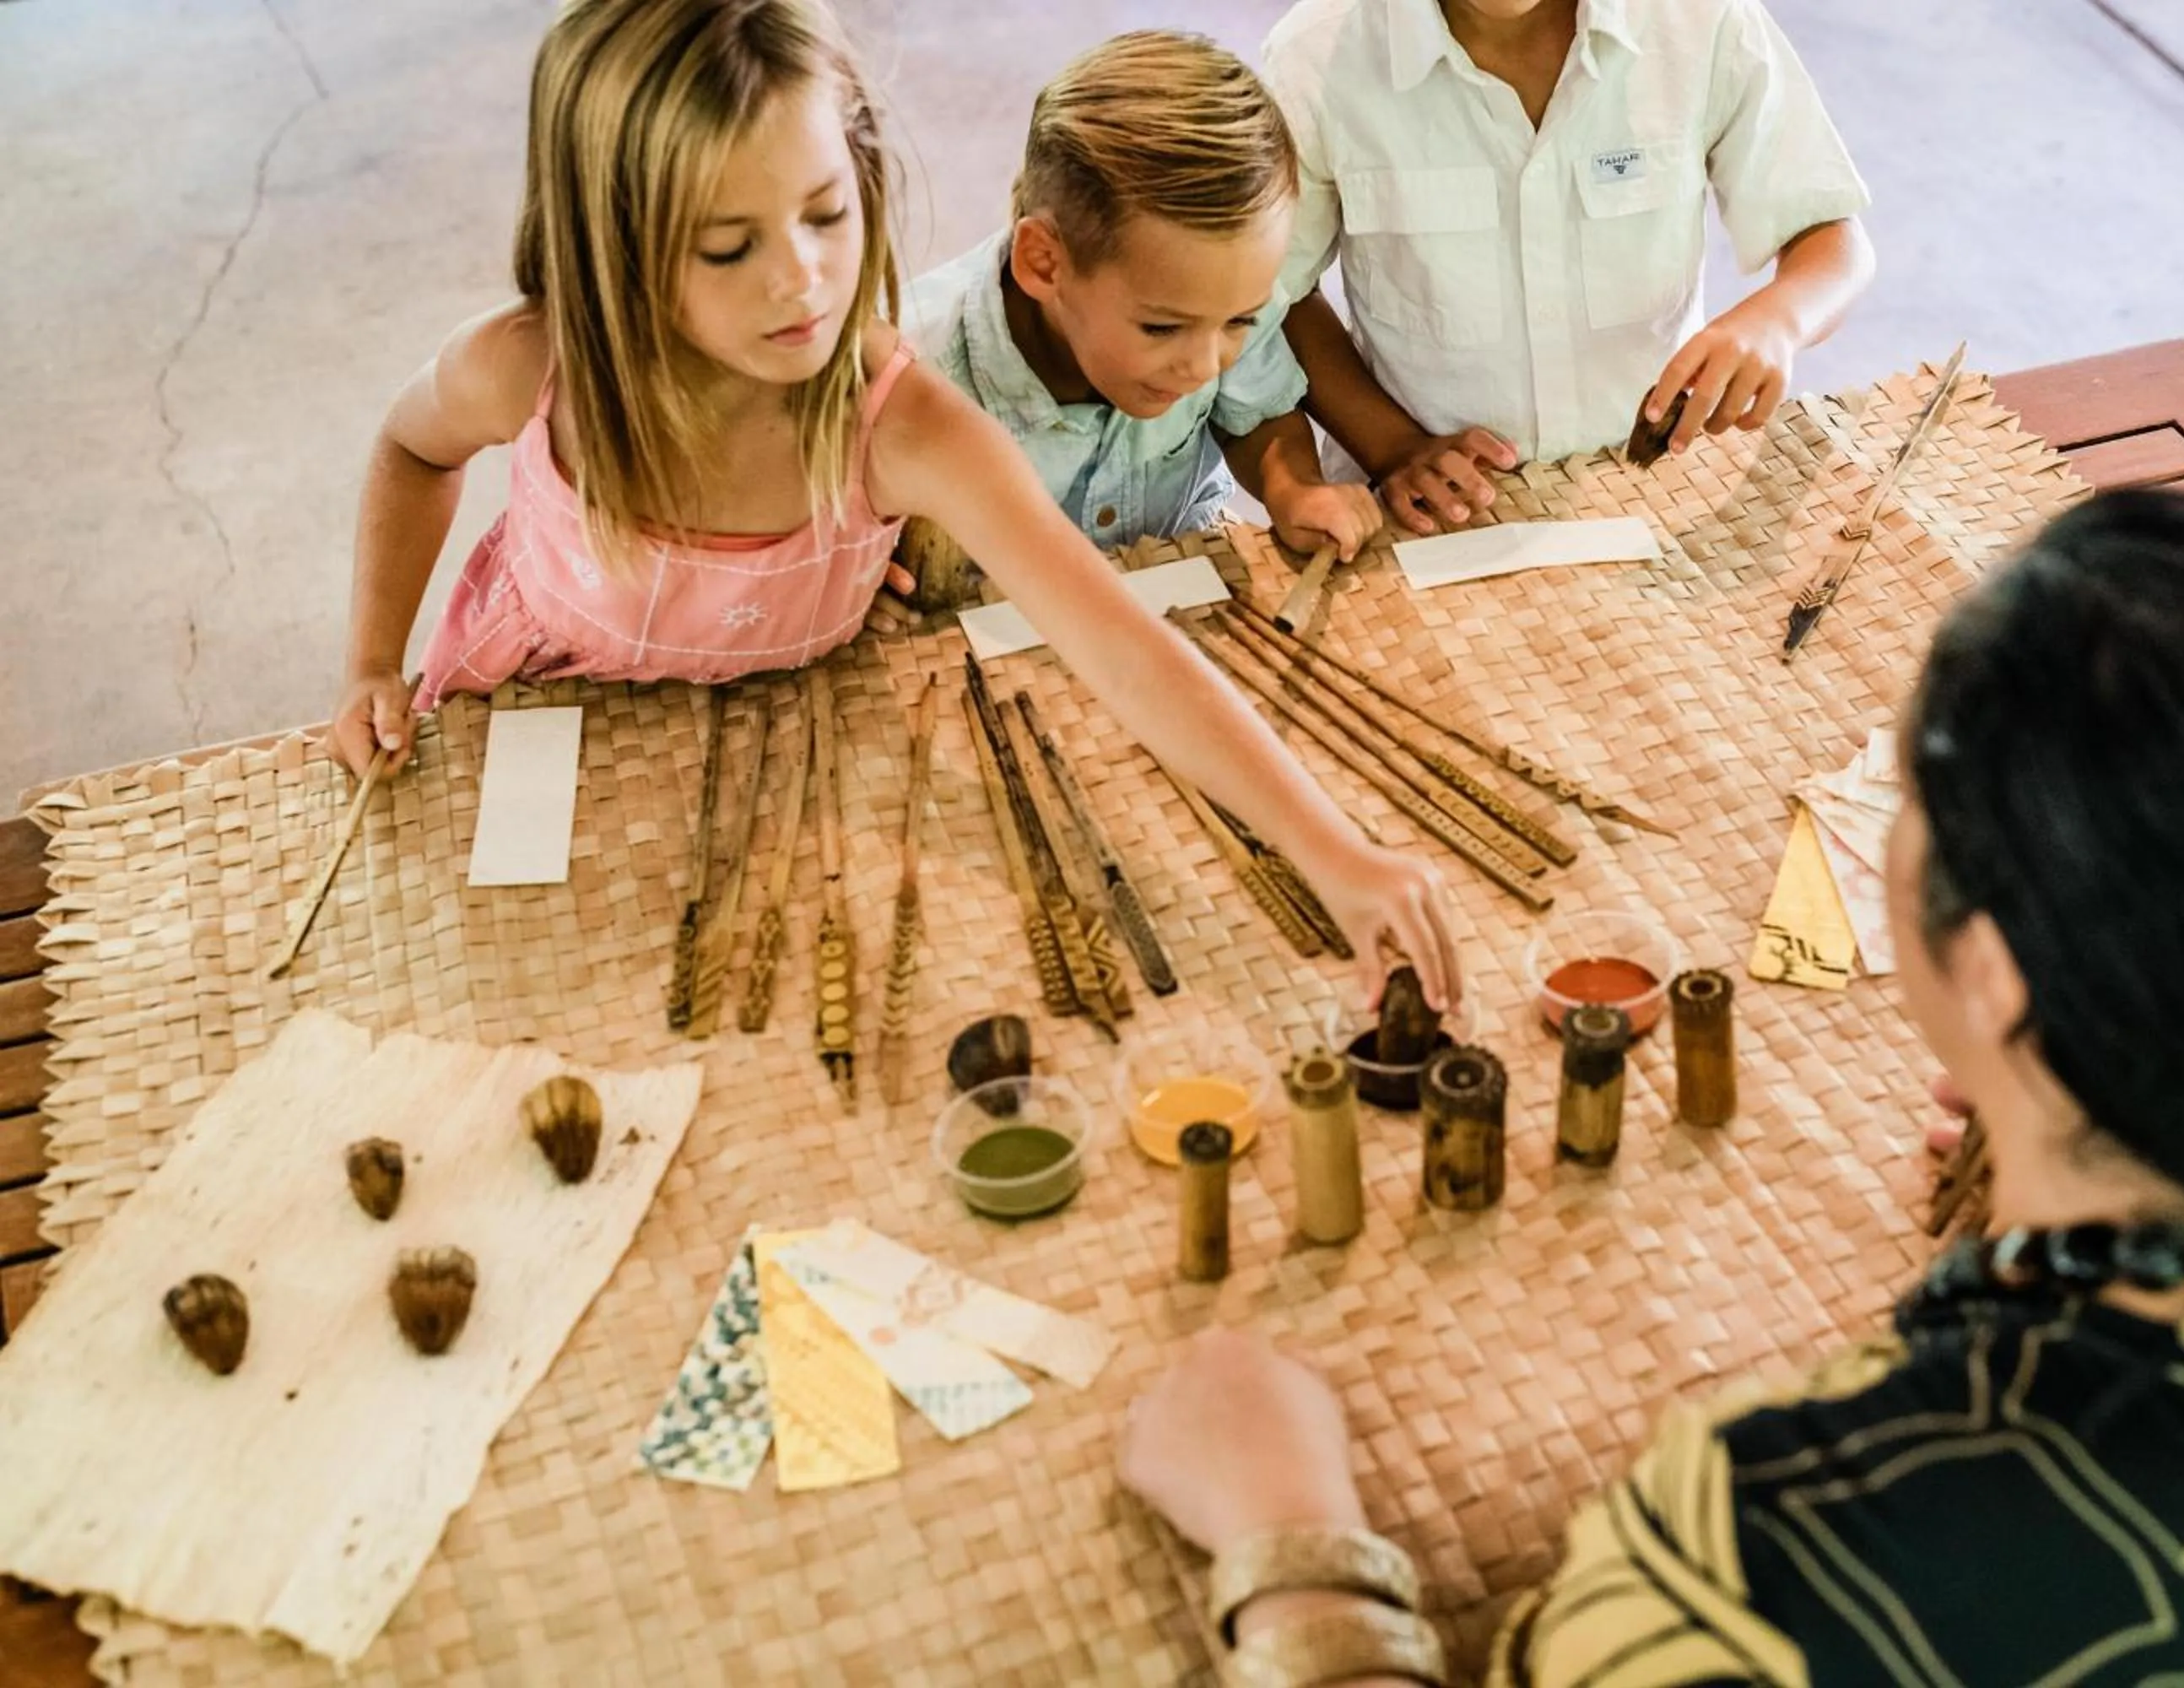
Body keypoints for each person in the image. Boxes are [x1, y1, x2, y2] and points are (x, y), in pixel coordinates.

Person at [1122, 491, 2184, 1685]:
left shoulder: (1751, 1559)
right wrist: (2066, 1206)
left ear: (1989, 971)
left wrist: (1293, 1550)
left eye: (1905, 792)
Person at [323, 0, 1457, 1004]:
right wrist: (373, 659)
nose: (802, 280)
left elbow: (1126, 651)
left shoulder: (898, 422)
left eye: (826, 214)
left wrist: (1338, 853)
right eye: (730, 246)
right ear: (614, 245)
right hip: (543, 741)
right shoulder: (533, 370)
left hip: (788, 759)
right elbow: (410, 452)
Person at [1260, 0, 1875, 536]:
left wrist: (1777, 322)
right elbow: (1267, 296)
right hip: (1429, 508)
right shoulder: (1316, 57)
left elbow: (1833, 240)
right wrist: (1390, 444)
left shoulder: (1700, 21)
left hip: (1655, 489)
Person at [905, 30, 1381, 561]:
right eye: (1161, 328)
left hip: (1182, 571)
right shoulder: (905, 378)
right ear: (1044, 263)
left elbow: (1257, 413)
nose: (1205, 365)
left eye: (1240, 321)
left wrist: (1294, 489)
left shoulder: (1212, 302)